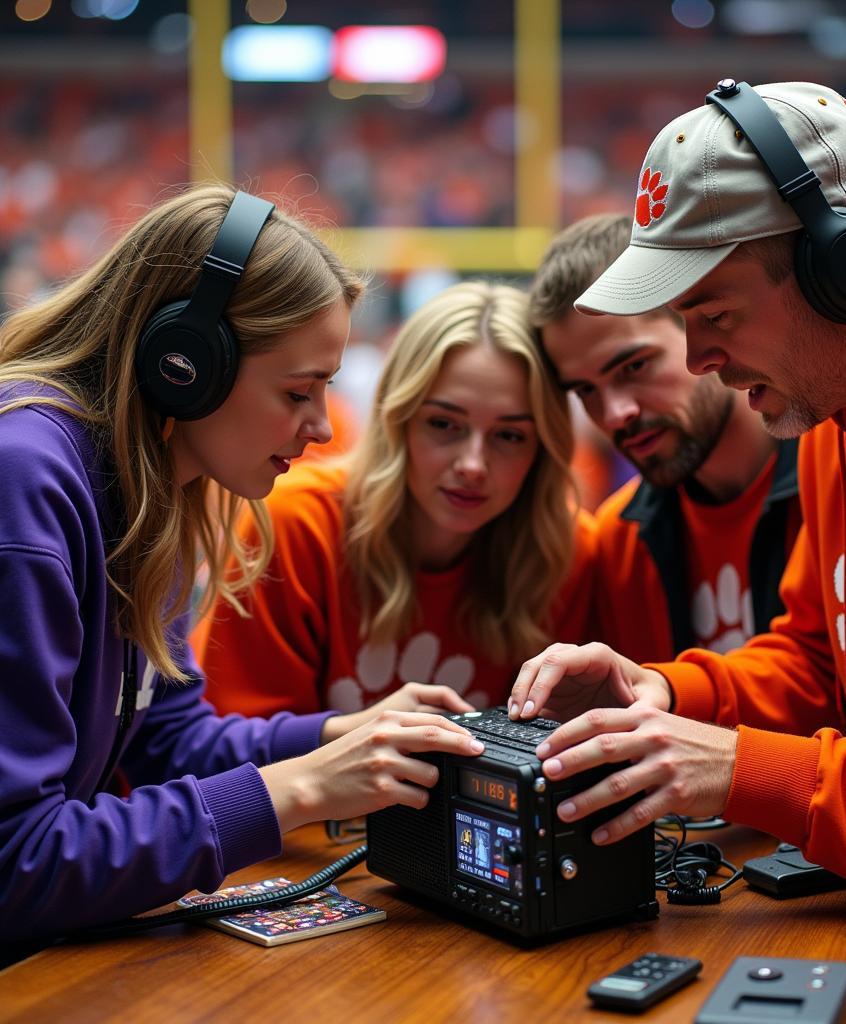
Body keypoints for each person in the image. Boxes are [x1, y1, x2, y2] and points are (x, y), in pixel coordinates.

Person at [507, 79, 846, 925]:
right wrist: (667, 698)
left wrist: (737, 767)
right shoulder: (835, 397)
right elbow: (823, 663)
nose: (698, 357)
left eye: (712, 313)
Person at [0, 184, 484, 949]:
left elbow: (167, 745)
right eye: (298, 391)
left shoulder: (154, 485)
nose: (322, 427)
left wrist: (342, 737)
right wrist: (299, 789)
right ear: (184, 364)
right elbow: (14, 861)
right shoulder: (25, 480)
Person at [193, 281, 596, 718]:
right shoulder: (295, 524)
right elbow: (232, 754)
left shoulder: (567, 552)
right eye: (444, 424)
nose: (473, 465)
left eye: (509, 435)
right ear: (396, 419)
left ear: (543, 449)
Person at [529, 213, 800, 661]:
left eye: (634, 367)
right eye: (584, 390)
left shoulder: (839, 479)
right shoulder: (619, 543)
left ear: (702, 323)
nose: (615, 414)